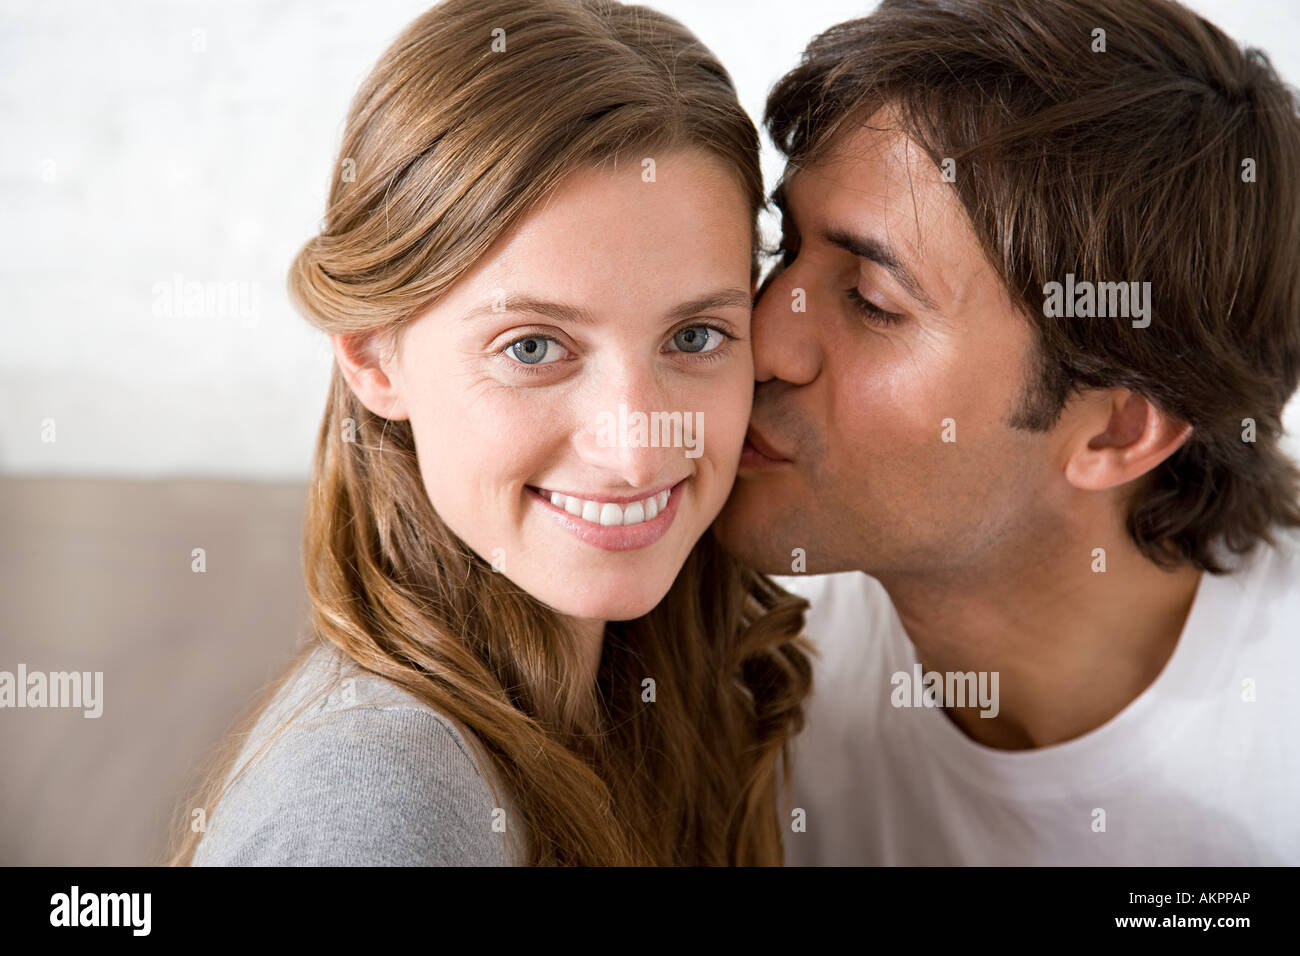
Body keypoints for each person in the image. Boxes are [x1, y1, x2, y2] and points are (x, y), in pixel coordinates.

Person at [169, 0, 812, 867]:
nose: (635, 451)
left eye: (694, 337)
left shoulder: (655, 704)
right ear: (373, 358)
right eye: (534, 347)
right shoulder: (381, 806)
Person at [713, 0, 1300, 864]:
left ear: (1117, 433)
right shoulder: (758, 672)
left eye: (872, 303)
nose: (762, 338)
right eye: (786, 246)